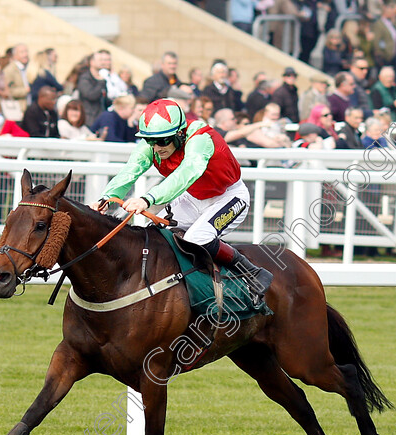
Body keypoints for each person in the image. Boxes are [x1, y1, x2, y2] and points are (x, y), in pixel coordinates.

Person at [88, 98, 273, 304]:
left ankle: (253, 272)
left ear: (179, 133)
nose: (156, 147)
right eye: (150, 141)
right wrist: (106, 198)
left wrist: (148, 199)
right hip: (194, 197)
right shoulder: (153, 144)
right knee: (154, 234)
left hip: (229, 196)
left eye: (163, 141)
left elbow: (187, 173)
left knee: (197, 238)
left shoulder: (200, 138)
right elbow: (130, 170)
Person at [77, 50, 110, 127]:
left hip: (100, 117)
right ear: (91, 62)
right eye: (100, 60)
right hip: (88, 118)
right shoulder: (85, 78)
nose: (103, 62)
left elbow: (105, 99)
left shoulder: (102, 79)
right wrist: (101, 82)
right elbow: (91, 95)